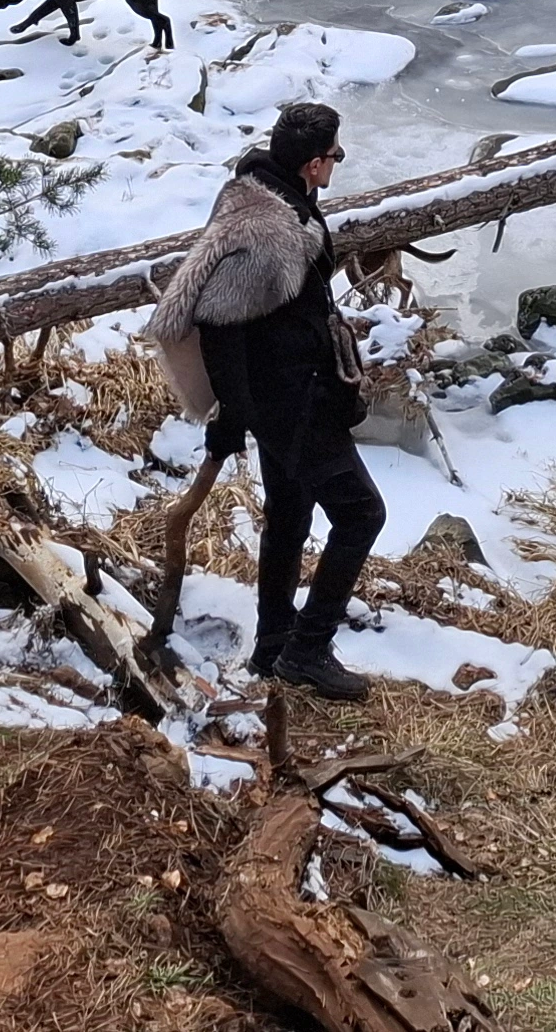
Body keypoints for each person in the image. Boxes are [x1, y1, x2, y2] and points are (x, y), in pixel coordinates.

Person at [154, 99, 383, 700]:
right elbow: (221, 324)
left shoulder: (271, 193)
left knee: (290, 513)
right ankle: (306, 651)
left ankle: (273, 644)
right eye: (334, 155)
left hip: (290, 393)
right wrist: (231, 416)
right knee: (362, 514)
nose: (337, 162)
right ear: (313, 164)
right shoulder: (265, 232)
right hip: (292, 401)